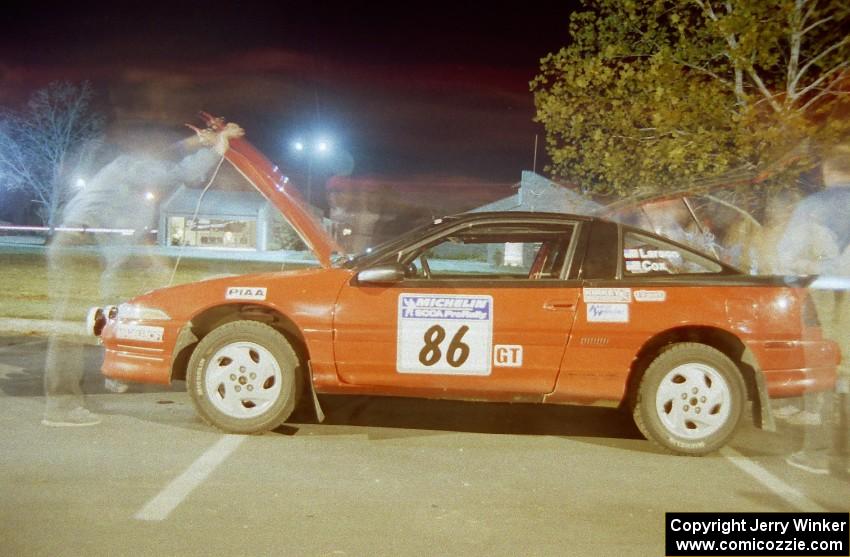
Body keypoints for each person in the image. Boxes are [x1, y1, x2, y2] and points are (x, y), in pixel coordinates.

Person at [41, 121, 244, 426]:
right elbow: (180, 170)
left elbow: (139, 245)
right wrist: (218, 145)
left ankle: (108, 377)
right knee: (69, 330)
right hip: (80, 245)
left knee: (102, 314)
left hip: (86, 249)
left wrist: (160, 272)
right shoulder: (130, 169)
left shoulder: (135, 195)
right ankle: (61, 408)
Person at [777, 144, 850, 474]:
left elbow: (787, 258)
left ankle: (818, 453)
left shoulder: (813, 207)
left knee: (823, 371)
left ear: (826, 172)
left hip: (823, 297)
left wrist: (797, 279)